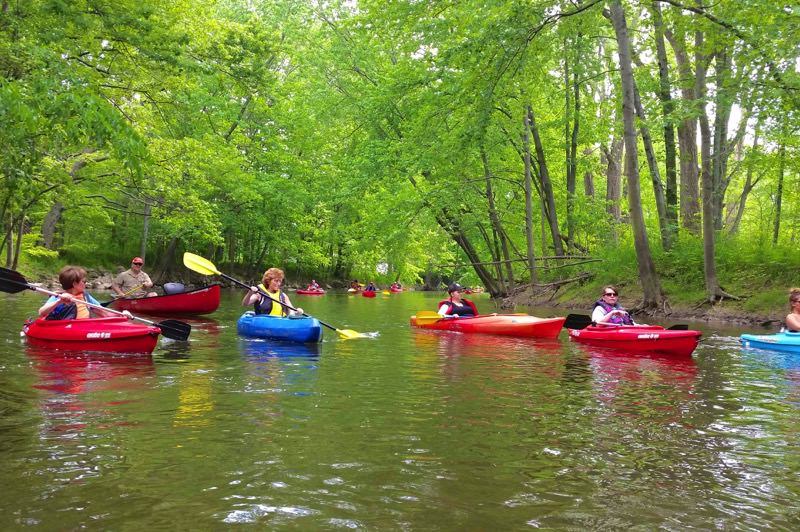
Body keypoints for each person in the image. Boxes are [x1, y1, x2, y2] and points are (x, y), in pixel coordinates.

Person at [39, 265, 130, 320]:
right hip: (64, 329)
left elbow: (104, 313)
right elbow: (42, 313)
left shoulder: (86, 297)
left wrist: (121, 314)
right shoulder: (58, 296)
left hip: (83, 328)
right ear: (75, 284)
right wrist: (59, 301)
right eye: (84, 281)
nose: (85, 284)